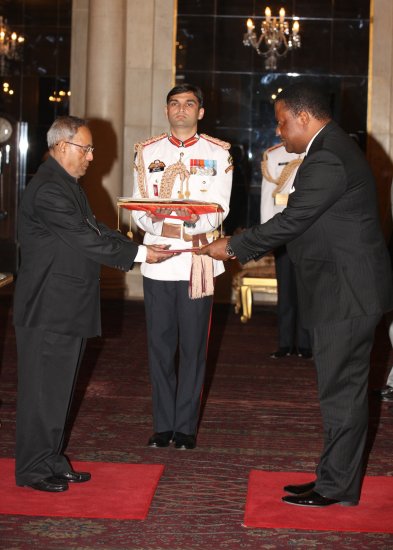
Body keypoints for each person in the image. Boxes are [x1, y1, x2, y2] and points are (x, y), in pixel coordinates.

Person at [196, 82, 393, 507]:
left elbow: (293, 221)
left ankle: (336, 486)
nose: (280, 132)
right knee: (339, 391)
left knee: (342, 392)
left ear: (304, 117)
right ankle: (332, 478)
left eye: (283, 123)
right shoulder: (332, 149)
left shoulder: (328, 157)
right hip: (346, 290)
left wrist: (232, 246)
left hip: (347, 295)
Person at [13, 115, 173, 492]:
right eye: (85, 148)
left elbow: (95, 229)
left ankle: (50, 458)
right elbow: (84, 240)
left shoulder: (67, 185)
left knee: (59, 389)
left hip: (64, 305)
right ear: (62, 146)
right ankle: (32, 469)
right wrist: (138, 256)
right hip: (47, 307)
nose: (91, 156)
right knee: (41, 392)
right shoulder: (49, 189)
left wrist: (141, 248)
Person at [132, 83, 233, 450]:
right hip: (158, 259)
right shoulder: (147, 152)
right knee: (159, 346)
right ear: (166, 110)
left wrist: (187, 222)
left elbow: (219, 208)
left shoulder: (218, 154)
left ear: (200, 112)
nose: (181, 110)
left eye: (189, 104)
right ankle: (163, 425)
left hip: (196, 257)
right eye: (174, 103)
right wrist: (157, 221)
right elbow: (139, 207)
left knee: (193, 347)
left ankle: (185, 426)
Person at [260, 142, 311, 359]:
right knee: (286, 289)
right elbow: (267, 197)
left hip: (311, 231)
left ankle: (306, 343)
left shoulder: (318, 151)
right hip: (283, 231)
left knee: (308, 290)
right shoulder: (274, 155)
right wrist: (266, 235)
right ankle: (285, 343)